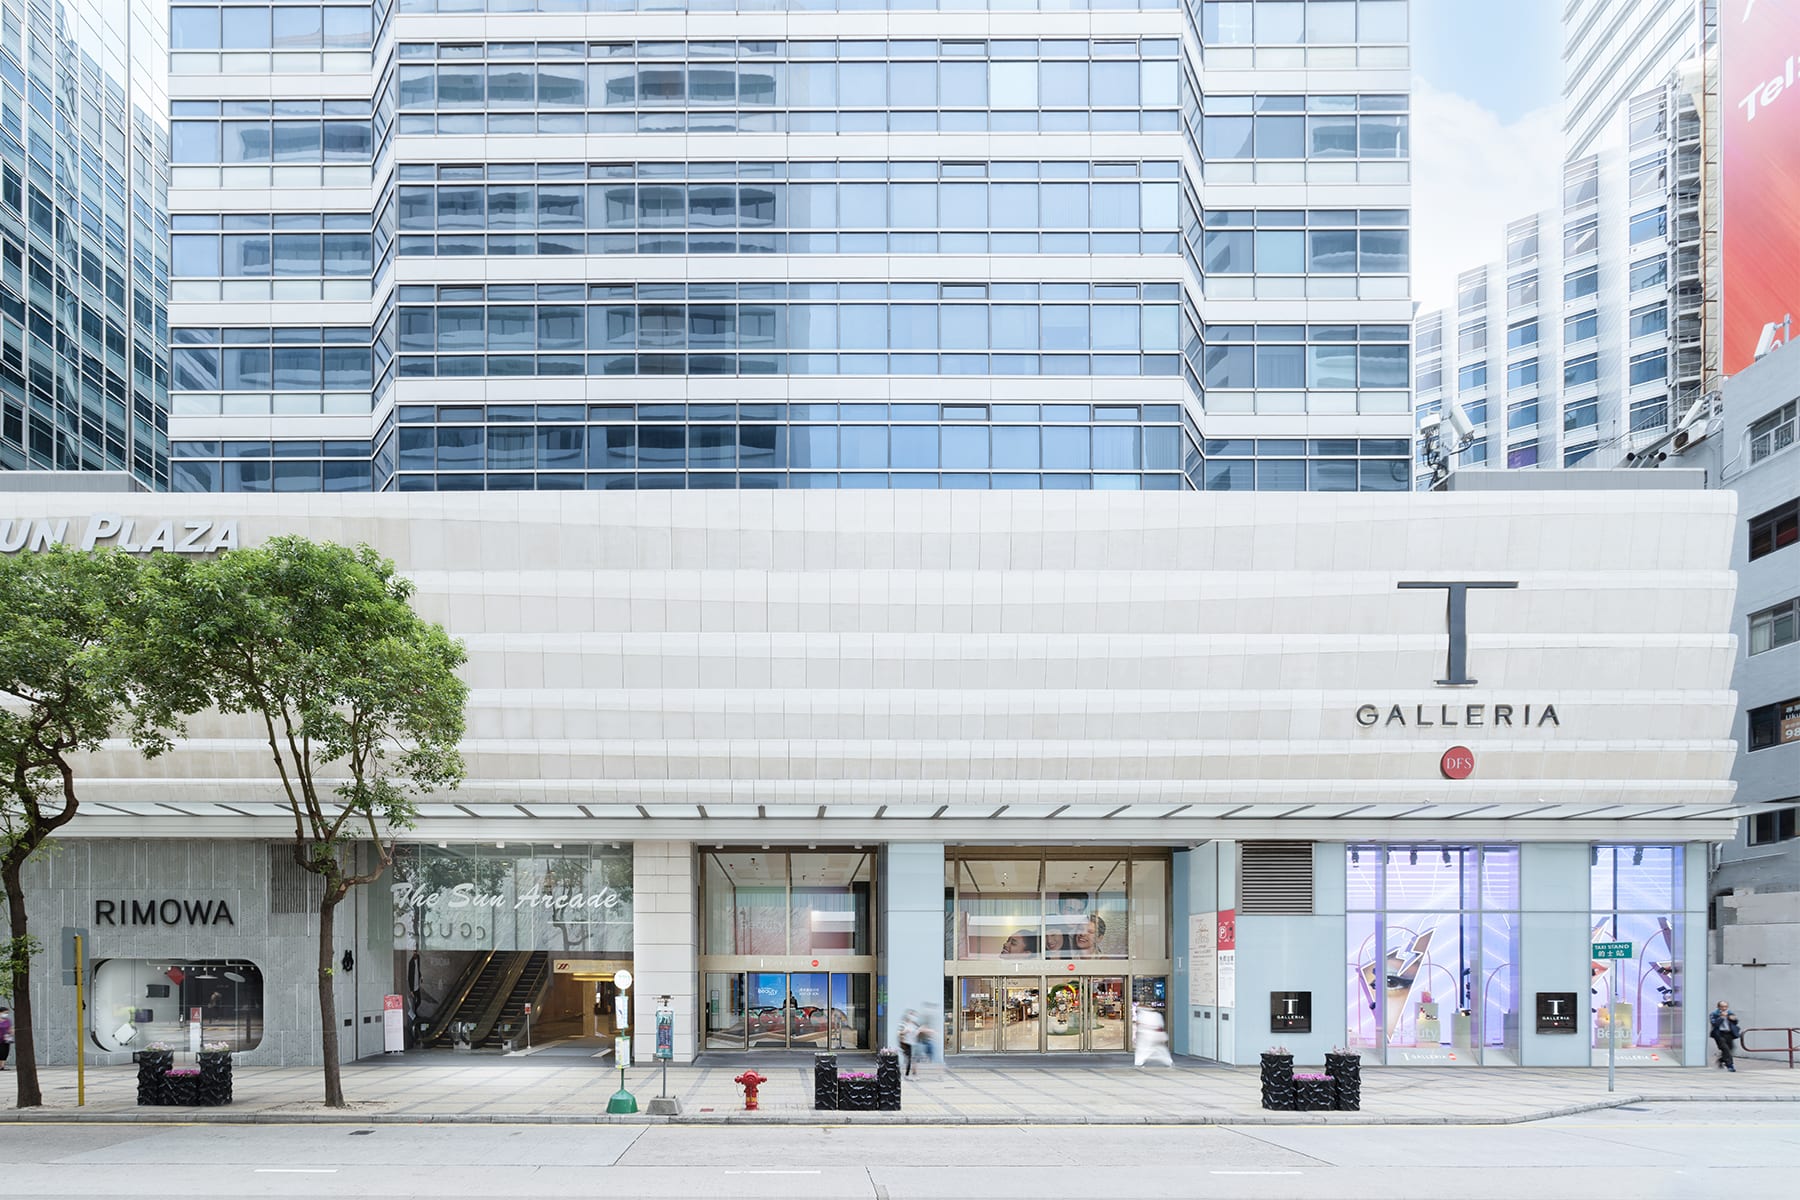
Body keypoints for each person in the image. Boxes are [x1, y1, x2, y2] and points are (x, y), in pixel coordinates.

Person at [1710, 1001, 1740, 1071]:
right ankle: (1730, 1065)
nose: (1724, 1008)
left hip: (1729, 1033)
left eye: (1726, 1006)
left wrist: (1734, 1019)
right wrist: (1721, 1017)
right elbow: (1714, 1024)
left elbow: (1735, 1023)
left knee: (1731, 1048)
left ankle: (1721, 1060)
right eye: (1722, 1006)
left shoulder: (1730, 1013)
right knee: (1725, 1049)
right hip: (1719, 1034)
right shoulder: (1714, 1014)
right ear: (1718, 1007)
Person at [898, 1009, 920, 1077]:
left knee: (912, 1059)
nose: (912, 1017)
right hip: (906, 1044)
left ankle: (913, 1073)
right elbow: (899, 1033)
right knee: (910, 1059)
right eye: (911, 1015)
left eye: (913, 1015)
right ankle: (907, 1074)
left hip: (913, 1044)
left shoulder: (915, 1024)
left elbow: (917, 1033)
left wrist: (918, 1031)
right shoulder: (903, 1024)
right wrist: (905, 1032)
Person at [0, 1004, 12, 1071]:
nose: (6, 1014)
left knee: (5, 1052)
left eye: (7, 1013)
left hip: (6, 1039)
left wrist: (11, 1032)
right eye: (5, 1013)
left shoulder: (7, 1020)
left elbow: (10, 1028)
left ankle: (2, 1066)